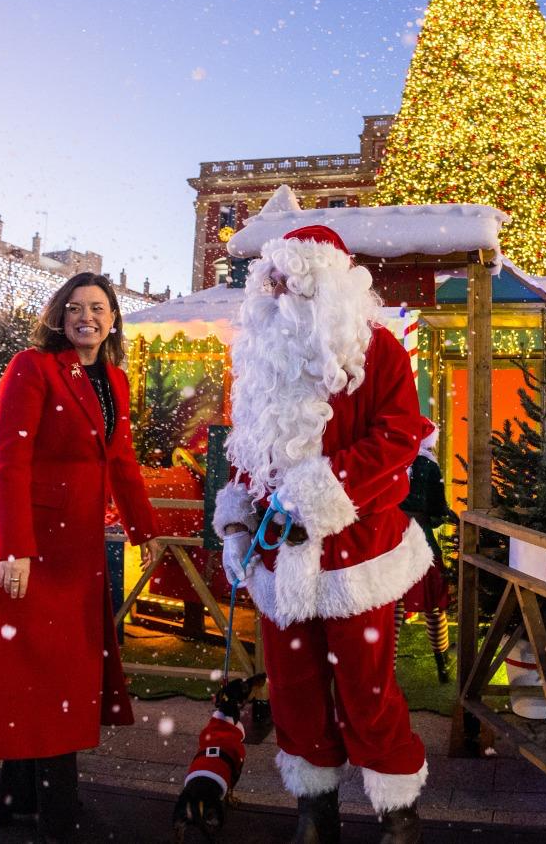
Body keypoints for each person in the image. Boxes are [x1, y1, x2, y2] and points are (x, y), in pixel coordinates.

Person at [212, 225, 435, 844]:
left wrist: (317, 490)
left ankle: (398, 808)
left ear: (328, 282)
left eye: (291, 275)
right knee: (293, 687)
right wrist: (237, 519)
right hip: (276, 554)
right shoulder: (258, 358)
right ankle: (316, 807)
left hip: (354, 553)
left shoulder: (378, 350)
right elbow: (246, 452)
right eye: (271, 277)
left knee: (365, 687)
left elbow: (398, 436)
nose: (277, 287)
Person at [0, 273, 161, 841]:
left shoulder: (116, 381)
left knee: (50, 671)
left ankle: (17, 800)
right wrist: (16, 548)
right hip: (28, 547)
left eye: (99, 308)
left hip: (76, 552)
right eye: (76, 307)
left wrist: (144, 527)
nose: (88, 317)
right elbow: (7, 461)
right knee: (41, 675)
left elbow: (120, 460)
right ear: (59, 315)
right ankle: (57, 813)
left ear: (113, 319)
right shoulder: (33, 366)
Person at [396, 423, 453, 683]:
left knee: (394, 603)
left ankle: (389, 666)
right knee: (433, 603)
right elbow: (438, 508)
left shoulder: (393, 463)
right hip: (422, 538)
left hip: (392, 540)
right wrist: (440, 518)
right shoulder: (429, 467)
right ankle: (441, 663)